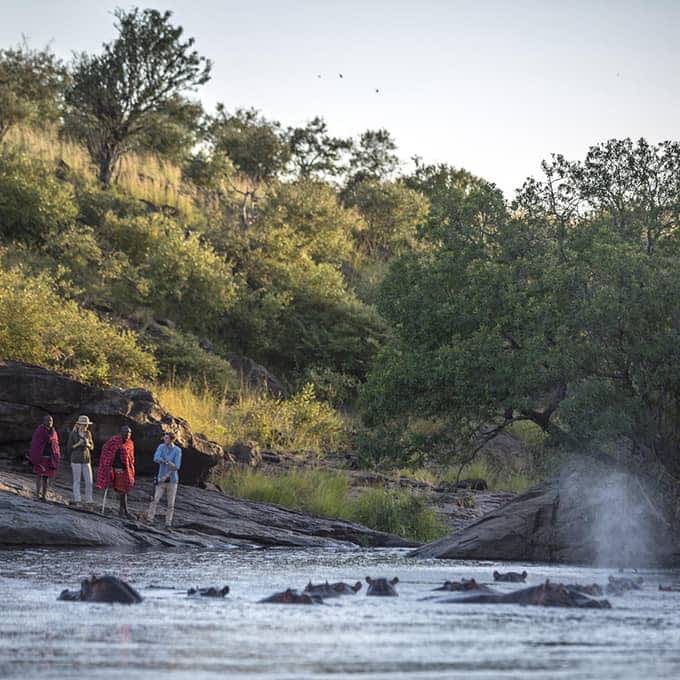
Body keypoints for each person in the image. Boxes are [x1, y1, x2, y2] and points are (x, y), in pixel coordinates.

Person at [96, 426, 135, 518]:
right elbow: (106, 452)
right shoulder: (113, 441)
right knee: (122, 491)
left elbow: (131, 458)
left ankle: (122, 511)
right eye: (126, 432)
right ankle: (124, 511)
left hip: (126, 470)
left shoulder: (130, 443)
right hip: (115, 469)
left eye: (129, 433)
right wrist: (109, 466)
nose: (128, 434)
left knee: (124, 490)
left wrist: (130, 467)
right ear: (121, 432)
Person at [146, 432, 182, 529]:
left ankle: (168, 523)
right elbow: (156, 458)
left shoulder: (177, 450)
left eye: (166, 438)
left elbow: (176, 466)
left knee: (170, 504)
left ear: (171, 439)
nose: (164, 440)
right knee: (155, 499)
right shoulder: (161, 447)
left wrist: (167, 475)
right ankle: (149, 519)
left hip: (172, 480)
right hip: (160, 478)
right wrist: (166, 461)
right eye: (164, 438)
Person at [28, 415, 61, 501]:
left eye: (51, 421)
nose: (50, 422)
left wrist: (56, 455)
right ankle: (37, 494)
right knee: (39, 475)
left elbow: (56, 444)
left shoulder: (54, 432)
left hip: (49, 458)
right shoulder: (39, 430)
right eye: (48, 420)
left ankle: (43, 496)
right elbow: (36, 443)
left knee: (46, 477)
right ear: (44, 421)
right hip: (41, 457)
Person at [67, 415, 94, 507]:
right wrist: (78, 444)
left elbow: (92, 447)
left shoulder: (88, 433)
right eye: (83, 424)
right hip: (76, 459)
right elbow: (69, 448)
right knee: (77, 480)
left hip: (86, 459)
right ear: (78, 424)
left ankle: (89, 500)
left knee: (89, 481)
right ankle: (77, 499)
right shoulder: (73, 434)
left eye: (86, 424)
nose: (85, 426)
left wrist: (87, 444)